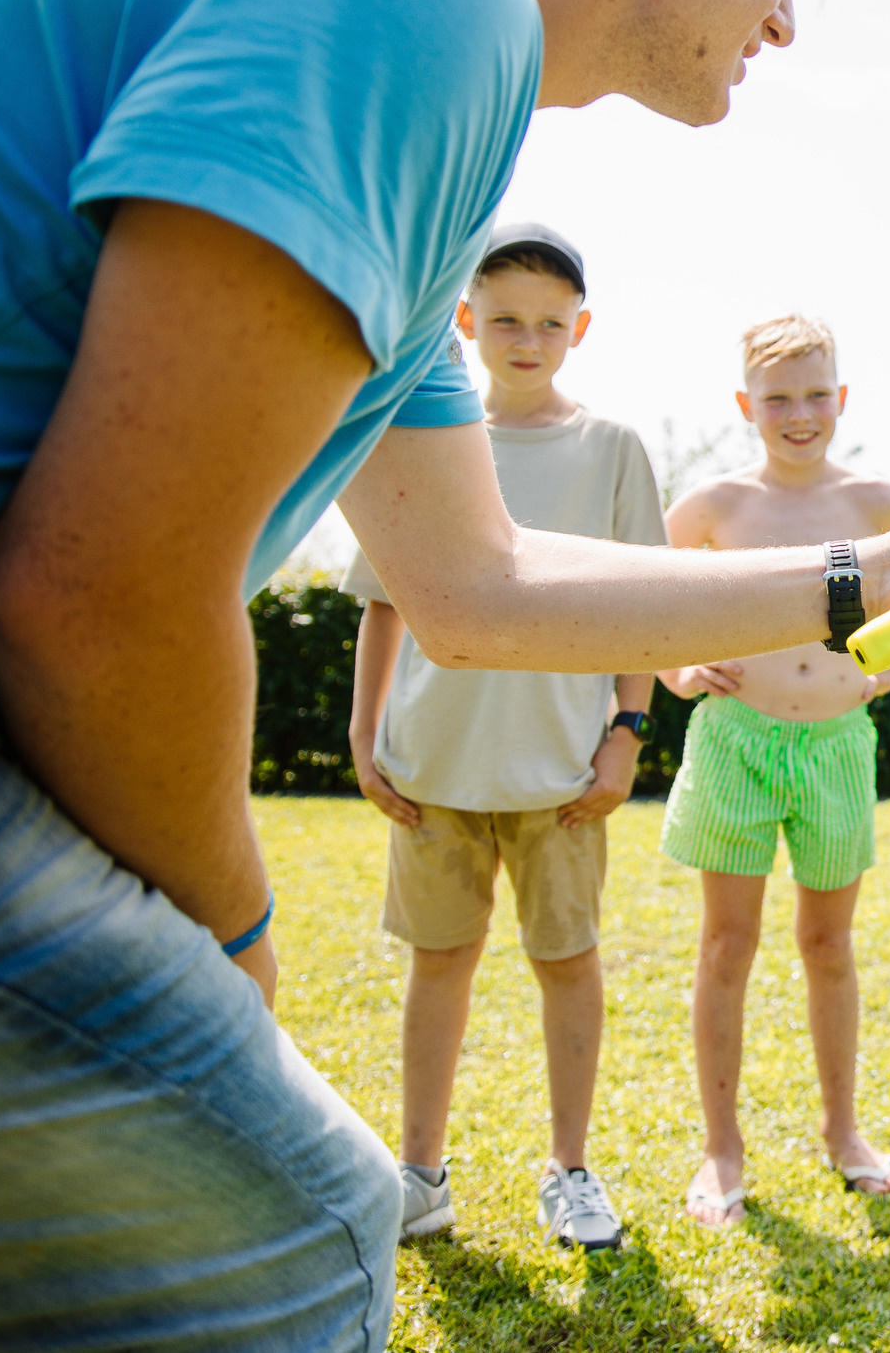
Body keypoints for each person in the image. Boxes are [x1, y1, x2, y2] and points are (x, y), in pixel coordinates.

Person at [0, 0, 890, 1351]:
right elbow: (102, 589)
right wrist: (230, 941)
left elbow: (477, 582)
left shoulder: (410, 62)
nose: (785, 17)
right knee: (297, 1235)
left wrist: (873, 566)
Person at [345, 223, 661, 1251]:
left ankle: (570, 1171)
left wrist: (626, 732)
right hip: (432, 761)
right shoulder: (419, 435)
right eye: (507, 319)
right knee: (439, 963)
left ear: (580, 330)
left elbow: (647, 610)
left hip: (563, 771)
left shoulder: (611, 449)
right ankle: (422, 1175)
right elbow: (384, 602)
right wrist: (364, 728)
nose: (528, 339)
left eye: (550, 323)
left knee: (568, 962)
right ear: (467, 322)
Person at [659, 314, 890, 1225]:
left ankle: (845, 1134)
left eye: (816, 394)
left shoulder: (881, 500)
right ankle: (722, 1152)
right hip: (736, 738)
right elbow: (641, 600)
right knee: (727, 944)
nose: (799, 413)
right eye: (778, 398)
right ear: (746, 406)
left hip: (839, 745)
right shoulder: (716, 505)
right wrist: (679, 671)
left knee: (827, 945)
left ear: (841, 398)